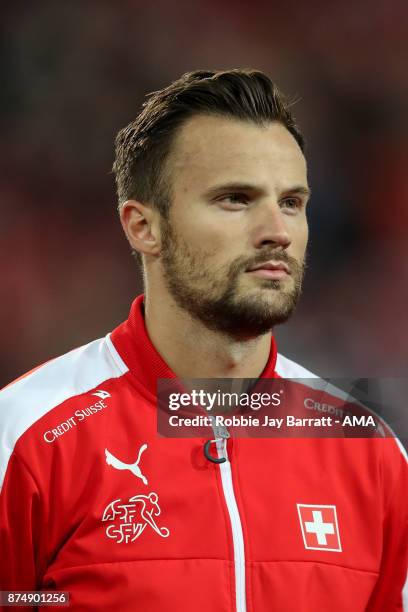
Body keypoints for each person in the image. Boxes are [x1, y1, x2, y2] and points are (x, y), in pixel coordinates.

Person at [0, 69, 407, 612]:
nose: (277, 231)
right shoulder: (24, 437)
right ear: (144, 227)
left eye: (291, 202)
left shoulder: (369, 450)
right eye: (235, 199)